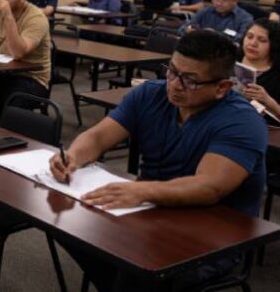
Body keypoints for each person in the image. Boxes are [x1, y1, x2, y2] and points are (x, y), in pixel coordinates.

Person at [49, 30, 267, 291]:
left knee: (137, 269)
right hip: (149, 213)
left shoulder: (242, 121)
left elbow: (209, 187)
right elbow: (98, 137)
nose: (174, 85)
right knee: (72, 228)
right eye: (172, 71)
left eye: (190, 81)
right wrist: (73, 156)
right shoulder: (150, 95)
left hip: (215, 235)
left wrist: (142, 190)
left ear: (222, 87)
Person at [180, 0, 253, 40]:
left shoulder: (245, 18)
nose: (219, 3)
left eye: (225, 0)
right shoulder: (205, 12)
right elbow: (182, 29)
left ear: (235, 1)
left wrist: (215, 35)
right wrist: (188, 30)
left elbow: (242, 40)